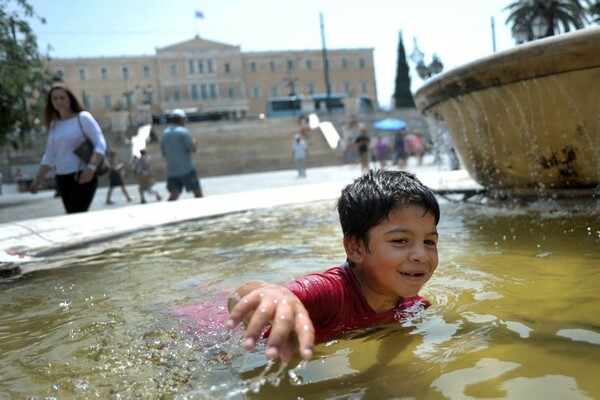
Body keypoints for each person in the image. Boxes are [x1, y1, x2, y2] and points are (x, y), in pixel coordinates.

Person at [226, 169, 440, 362]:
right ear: (355, 248)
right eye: (401, 240)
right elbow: (247, 296)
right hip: (211, 332)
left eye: (429, 242)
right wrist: (273, 295)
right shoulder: (329, 293)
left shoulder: (412, 306)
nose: (421, 255)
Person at [30, 83, 107, 214]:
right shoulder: (54, 124)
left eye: (62, 97)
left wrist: (91, 168)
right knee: (73, 217)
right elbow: (49, 155)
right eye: (55, 99)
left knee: (75, 214)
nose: (58, 101)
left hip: (82, 175)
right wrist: (37, 181)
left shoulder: (82, 117)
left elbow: (100, 144)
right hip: (62, 178)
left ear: (70, 99)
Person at [160, 109, 203, 201]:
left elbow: (163, 152)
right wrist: (194, 143)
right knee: (198, 193)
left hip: (172, 170)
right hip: (187, 169)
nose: (186, 120)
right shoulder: (184, 132)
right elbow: (192, 149)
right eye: (185, 119)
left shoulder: (165, 133)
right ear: (180, 120)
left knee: (174, 194)